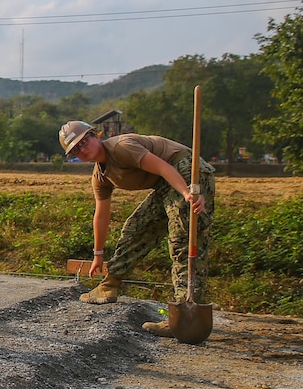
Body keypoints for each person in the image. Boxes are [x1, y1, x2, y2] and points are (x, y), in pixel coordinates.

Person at [58, 120, 215, 335]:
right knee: (136, 229)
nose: (82, 150)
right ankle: (109, 284)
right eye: (75, 150)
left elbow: (164, 166)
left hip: (186, 171)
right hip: (165, 183)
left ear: (96, 136)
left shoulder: (122, 147)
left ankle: (186, 314)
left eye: (84, 142)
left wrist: (187, 193)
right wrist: (98, 254)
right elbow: (101, 215)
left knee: (183, 240)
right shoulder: (100, 176)